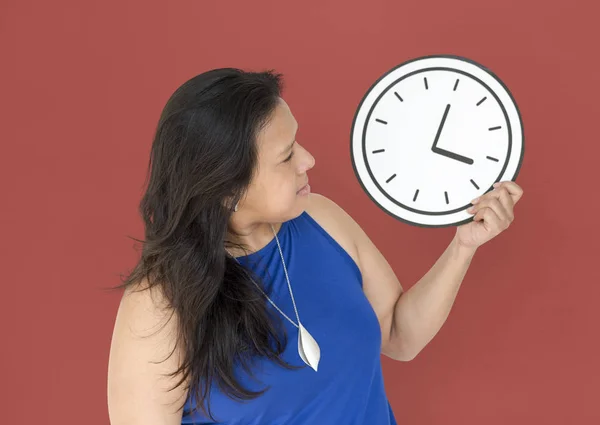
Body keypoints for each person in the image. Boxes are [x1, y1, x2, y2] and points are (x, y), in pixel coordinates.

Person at [107, 68, 523, 425]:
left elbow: (399, 335)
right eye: (287, 156)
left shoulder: (320, 218)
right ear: (226, 188)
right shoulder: (159, 303)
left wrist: (464, 245)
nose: (308, 159)